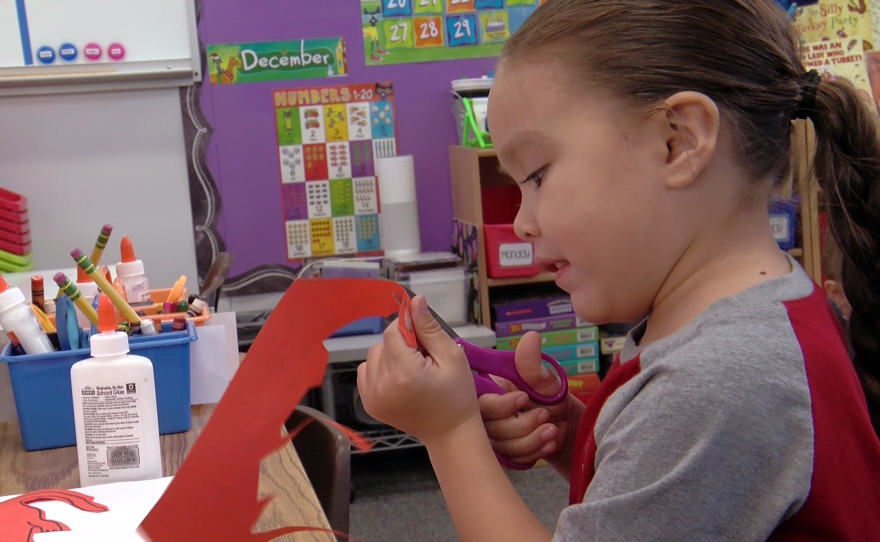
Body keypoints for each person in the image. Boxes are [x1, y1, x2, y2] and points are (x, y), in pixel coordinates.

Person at [356, 0, 880, 539]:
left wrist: (450, 432)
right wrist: (572, 434)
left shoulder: (716, 379)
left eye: (536, 175)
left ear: (679, 142)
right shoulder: (745, 321)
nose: (520, 223)